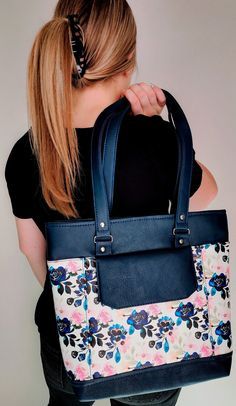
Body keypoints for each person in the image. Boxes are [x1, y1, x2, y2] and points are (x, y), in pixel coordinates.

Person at [4, 1, 218, 405]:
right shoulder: (156, 140)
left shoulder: (27, 152)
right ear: (129, 57)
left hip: (66, 337)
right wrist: (156, 124)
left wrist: (82, 307)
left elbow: (31, 250)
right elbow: (207, 191)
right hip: (153, 339)